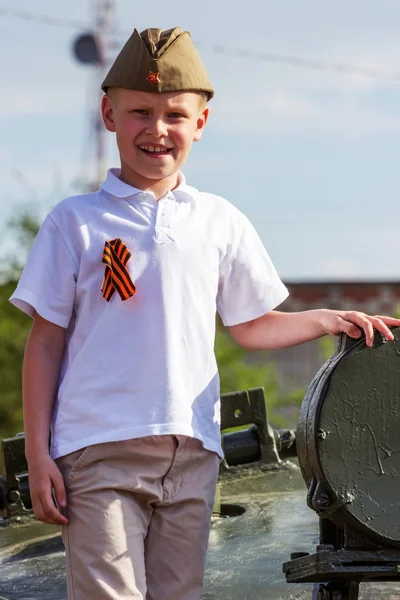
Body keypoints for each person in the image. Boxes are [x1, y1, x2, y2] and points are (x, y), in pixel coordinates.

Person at [10, 26, 400, 600]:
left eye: (174, 114)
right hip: (99, 449)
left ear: (201, 123)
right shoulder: (76, 223)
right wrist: (38, 454)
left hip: (193, 450)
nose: (157, 129)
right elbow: (45, 343)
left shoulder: (218, 220)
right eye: (140, 111)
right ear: (108, 114)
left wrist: (328, 319)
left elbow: (249, 325)